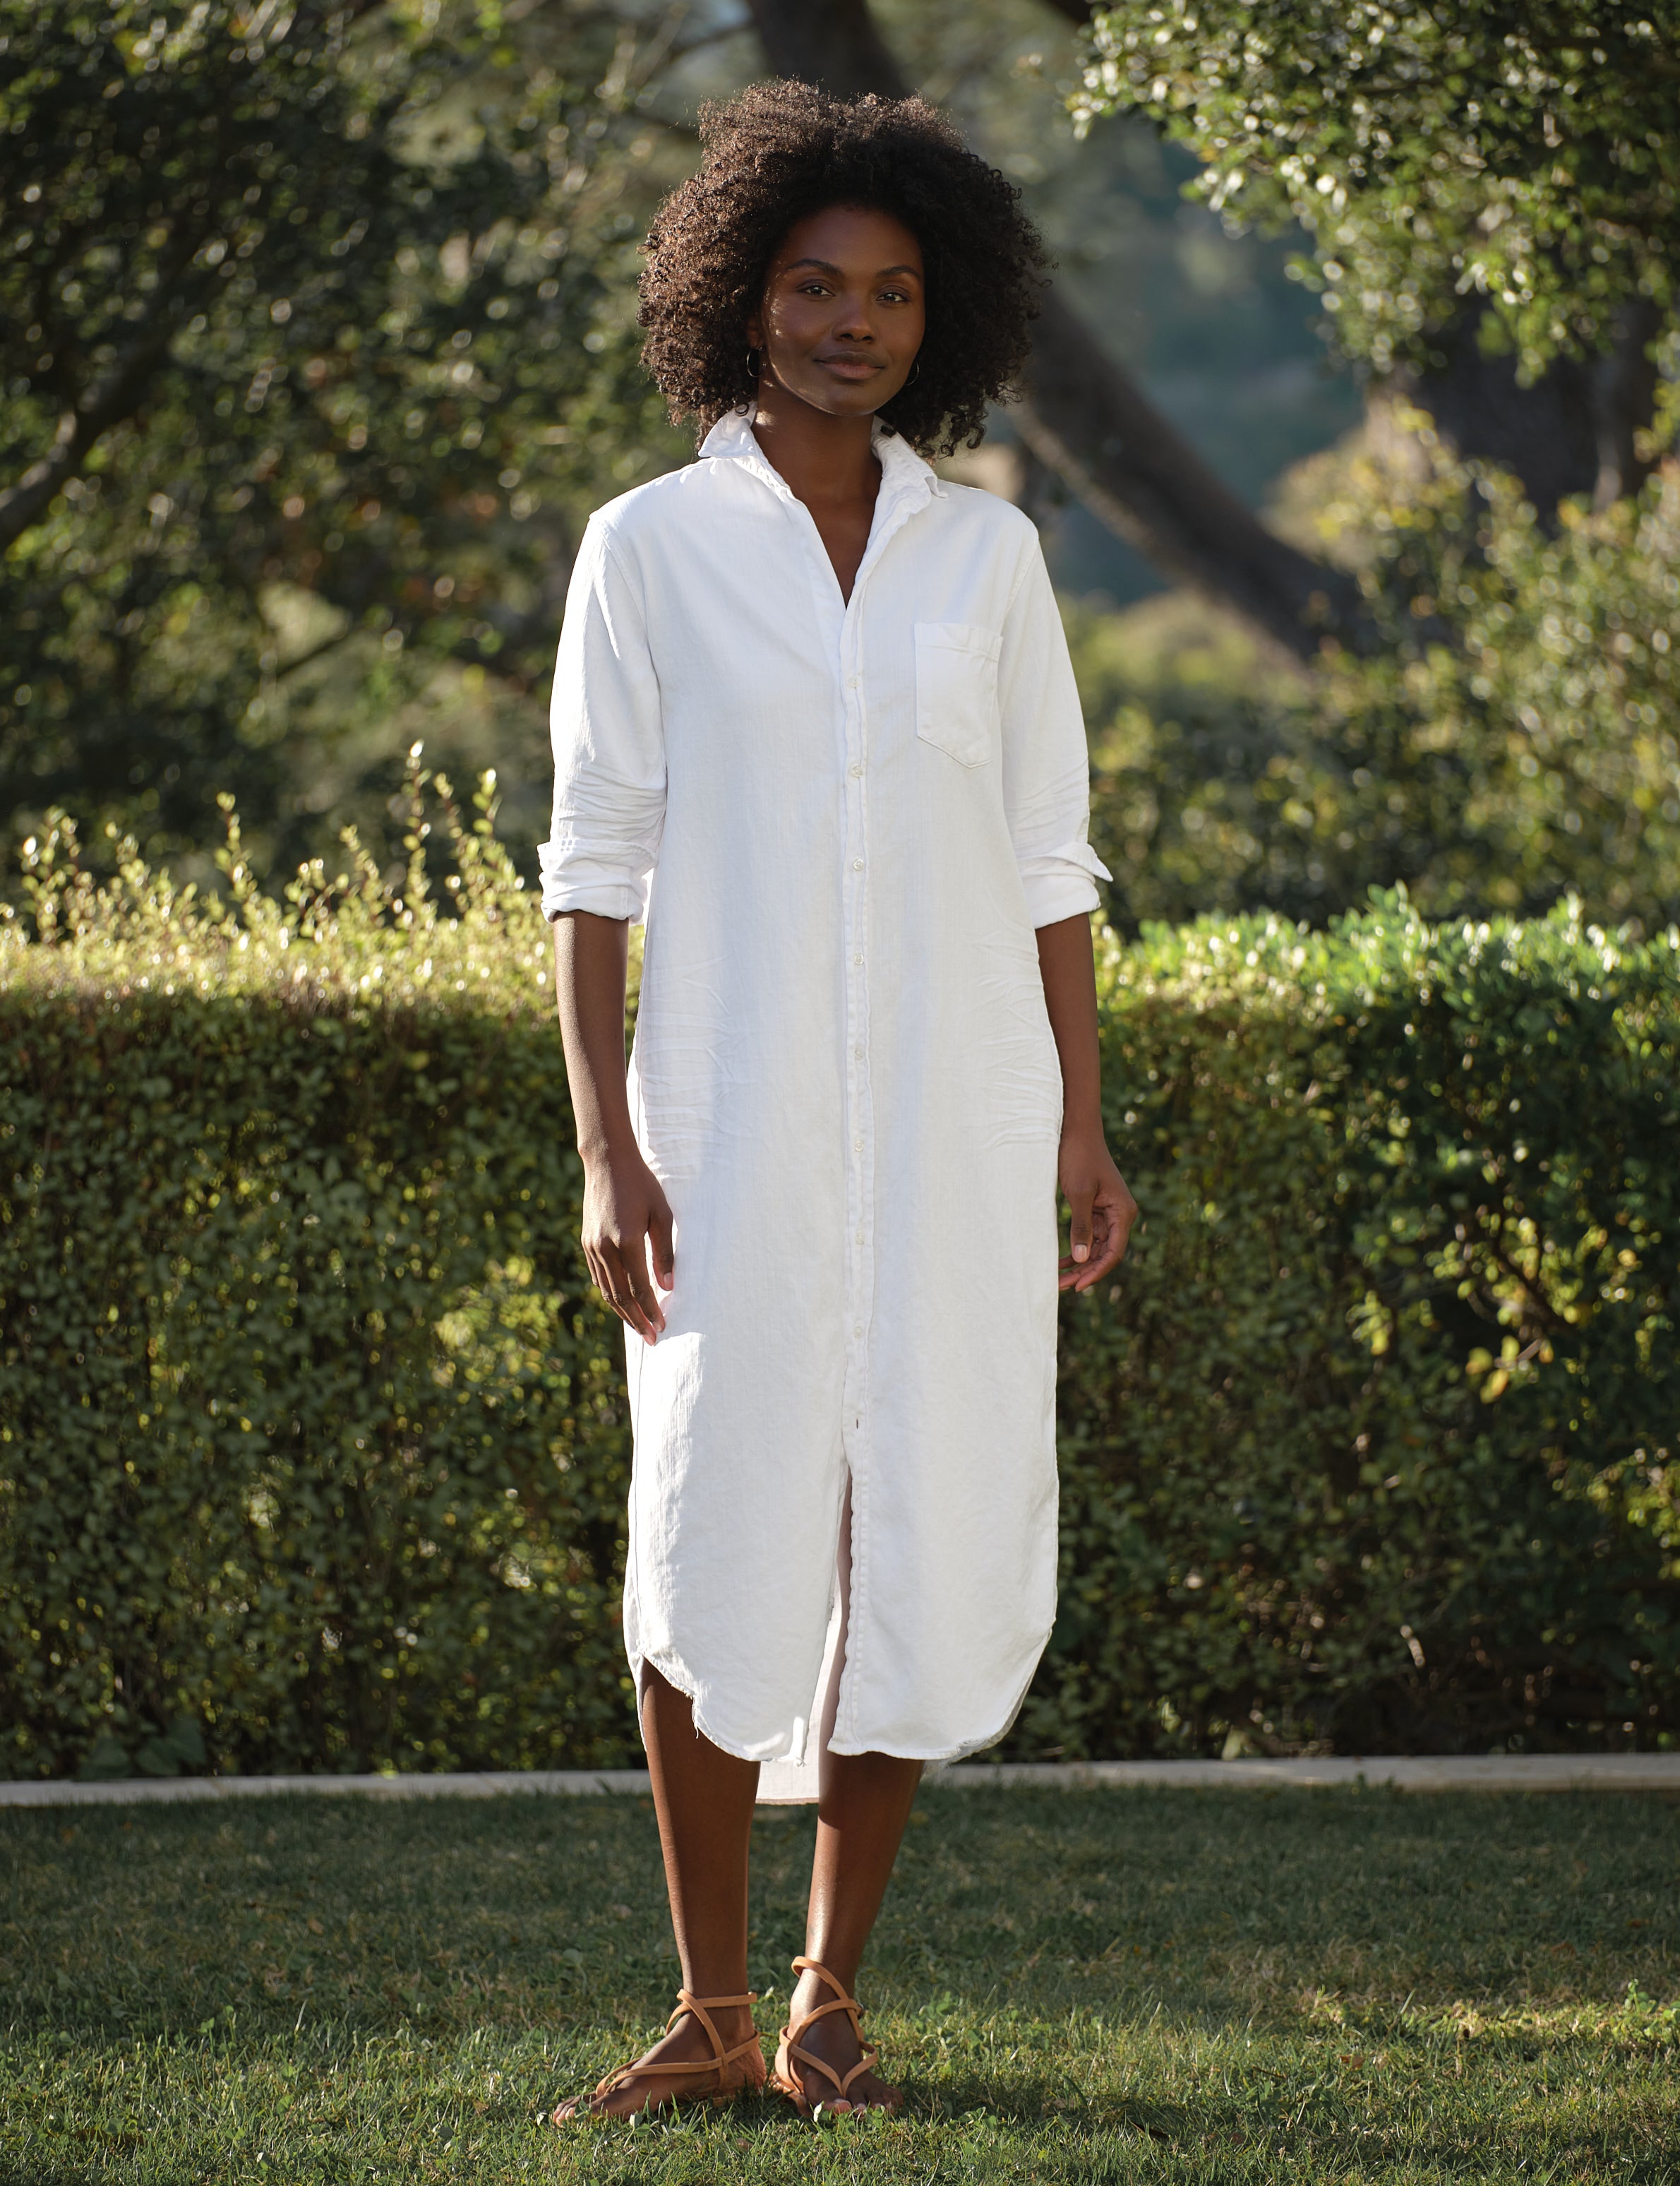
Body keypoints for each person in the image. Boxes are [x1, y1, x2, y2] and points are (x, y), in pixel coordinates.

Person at [542, 80, 1136, 2123]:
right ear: (740, 295)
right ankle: (705, 2004)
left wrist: (1075, 1115)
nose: (848, 322)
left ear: (935, 315)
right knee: (708, 1524)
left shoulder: (990, 561)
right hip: (725, 1132)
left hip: (956, 1127)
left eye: (887, 293)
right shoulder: (646, 551)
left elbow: (1049, 862)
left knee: (911, 1521)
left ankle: (821, 1998)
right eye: (810, 285)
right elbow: (590, 861)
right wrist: (608, 1141)